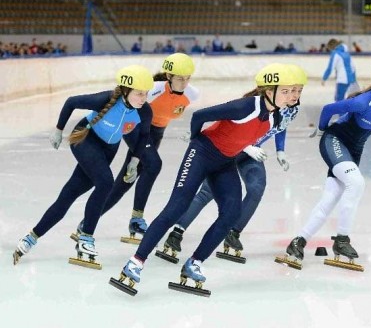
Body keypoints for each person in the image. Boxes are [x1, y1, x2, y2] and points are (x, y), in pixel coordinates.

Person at [110, 63, 301, 296]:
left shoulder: (275, 118)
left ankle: (194, 263)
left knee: (231, 213)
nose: (291, 96)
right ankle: (136, 262)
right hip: (202, 153)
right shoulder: (246, 107)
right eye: (286, 91)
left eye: (294, 91)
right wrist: (195, 142)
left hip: (225, 162)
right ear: (269, 91)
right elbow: (200, 116)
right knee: (176, 207)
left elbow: (242, 137)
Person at [160, 64, 308, 264]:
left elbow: (281, 126)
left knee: (257, 188)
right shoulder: (251, 104)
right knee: (207, 192)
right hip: (232, 149)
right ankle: (177, 232)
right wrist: (247, 147)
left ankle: (233, 232)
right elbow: (231, 131)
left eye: (299, 90)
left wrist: (280, 150)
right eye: (291, 90)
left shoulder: (291, 107)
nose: (295, 95)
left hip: (251, 153)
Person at [13, 65, 154, 268]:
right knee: (105, 182)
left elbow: (143, 136)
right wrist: (58, 130)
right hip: (85, 139)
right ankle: (86, 237)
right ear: (126, 90)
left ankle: (31, 237)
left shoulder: (145, 111)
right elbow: (71, 102)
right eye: (139, 93)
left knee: (69, 194)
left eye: (146, 93)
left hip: (107, 150)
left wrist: (134, 160)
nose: (144, 98)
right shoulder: (105, 99)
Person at [276, 58, 371, 272]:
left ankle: (298, 241)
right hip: (334, 140)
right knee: (356, 183)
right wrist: (321, 129)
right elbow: (329, 109)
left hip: (354, 150)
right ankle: (342, 240)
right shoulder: (363, 102)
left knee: (331, 197)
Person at [71, 53, 198, 244]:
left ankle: (87, 223)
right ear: (169, 76)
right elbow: (127, 103)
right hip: (137, 130)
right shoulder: (153, 89)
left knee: (125, 181)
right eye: (180, 78)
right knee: (154, 164)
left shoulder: (192, 94)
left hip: (156, 134)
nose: (185, 82)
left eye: (188, 78)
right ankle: (137, 218)